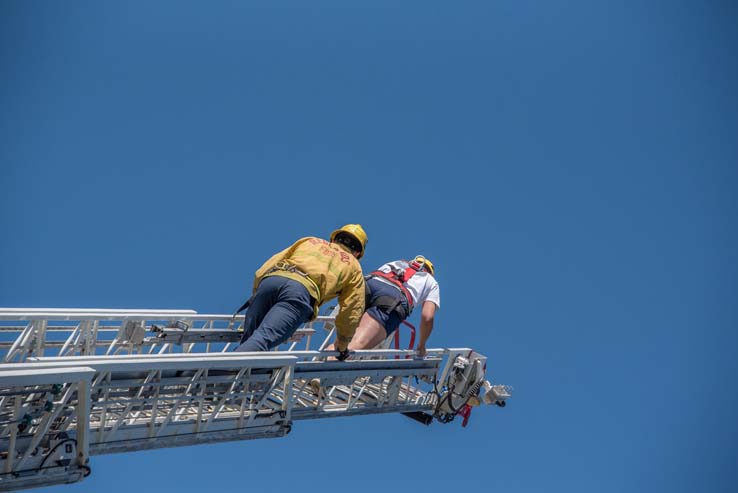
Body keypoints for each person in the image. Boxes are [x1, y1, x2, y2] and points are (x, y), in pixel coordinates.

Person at [234, 224, 367, 358]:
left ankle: (230, 372)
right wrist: (342, 344)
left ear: (334, 239)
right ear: (357, 253)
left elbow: (264, 269)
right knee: (263, 339)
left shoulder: (310, 241)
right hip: (299, 292)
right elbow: (351, 310)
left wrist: (257, 297)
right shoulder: (354, 266)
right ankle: (214, 373)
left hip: (271, 281)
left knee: (250, 340)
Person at [325, 255, 440, 358]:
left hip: (366, 285)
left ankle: (320, 363)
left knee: (341, 342)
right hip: (392, 299)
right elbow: (427, 318)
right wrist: (421, 346)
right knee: (356, 345)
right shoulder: (431, 281)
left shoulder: (397, 263)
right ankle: (324, 372)